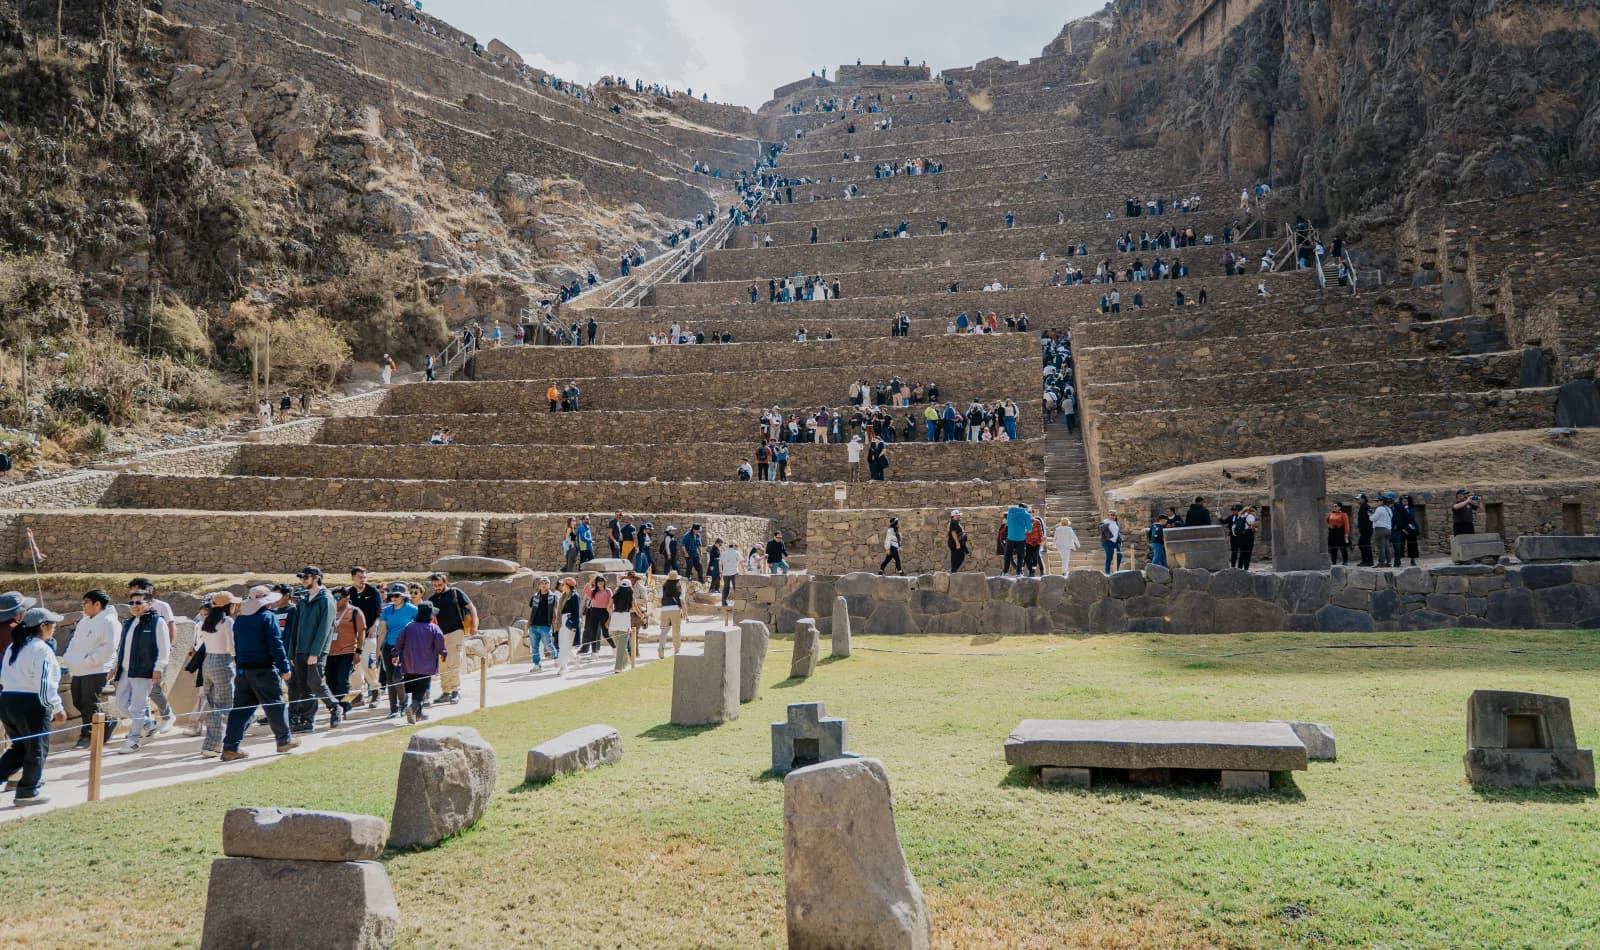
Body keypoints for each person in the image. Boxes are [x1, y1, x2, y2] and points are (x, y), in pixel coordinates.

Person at [221, 586, 297, 761]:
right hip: (263, 669)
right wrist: (284, 668)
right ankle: (283, 739)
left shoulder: (240, 620)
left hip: (243, 670)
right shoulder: (267, 617)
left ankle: (230, 746)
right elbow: (275, 645)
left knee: (241, 709)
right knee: (275, 704)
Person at [0, 605, 65, 805]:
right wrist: (56, 708)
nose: (54, 628)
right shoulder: (42, 649)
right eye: (52, 625)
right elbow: (44, 684)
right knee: (37, 748)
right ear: (43, 626)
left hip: (7, 700)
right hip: (31, 703)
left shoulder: (14, 646)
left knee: (20, 747)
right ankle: (28, 791)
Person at [110, 591, 170, 754]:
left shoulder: (157, 622)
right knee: (121, 703)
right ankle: (148, 724)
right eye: (132, 603)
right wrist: (115, 666)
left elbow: (164, 648)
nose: (134, 606)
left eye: (139, 603)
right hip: (125, 670)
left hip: (144, 671)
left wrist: (158, 668)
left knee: (138, 706)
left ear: (149, 604)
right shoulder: (129, 623)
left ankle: (133, 740)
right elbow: (122, 647)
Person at [63, 589, 119, 750]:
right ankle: (107, 722)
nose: (83, 605)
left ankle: (87, 735)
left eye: (86, 602)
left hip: (96, 669)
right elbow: (74, 642)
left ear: (97, 604)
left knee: (89, 703)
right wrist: (69, 658)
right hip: (79, 669)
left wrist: (90, 661)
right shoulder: (84, 621)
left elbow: (109, 647)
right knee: (77, 701)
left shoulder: (110, 622)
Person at [286, 567, 340, 733]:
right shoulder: (304, 600)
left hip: (316, 650)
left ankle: (334, 707)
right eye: (301, 577)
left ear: (316, 578)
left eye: (306, 577)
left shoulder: (326, 599)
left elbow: (324, 628)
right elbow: (296, 627)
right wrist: (292, 652)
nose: (303, 580)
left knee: (315, 683)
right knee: (303, 685)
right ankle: (307, 720)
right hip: (300, 650)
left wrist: (315, 652)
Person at [195, 592, 238, 758]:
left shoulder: (206, 621)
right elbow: (231, 646)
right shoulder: (227, 621)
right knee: (224, 705)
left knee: (214, 705)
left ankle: (211, 743)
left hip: (208, 662)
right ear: (228, 605)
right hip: (223, 662)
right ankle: (214, 745)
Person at [427, 572, 478, 705]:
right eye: (434, 585)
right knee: (442, 663)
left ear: (446, 583)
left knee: (453, 660)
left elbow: (471, 608)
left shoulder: (455, 593)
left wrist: (474, 625)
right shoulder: (432, 600)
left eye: (439, 585)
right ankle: (446, 691)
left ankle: (456, 690)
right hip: (440, 634)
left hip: (456, 631)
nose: (437, 587)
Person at [396, 603, 448, 724]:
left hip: (409, 663)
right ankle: (413, 707)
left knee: (416, 687)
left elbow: (399, 641)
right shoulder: (434, 628)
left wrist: (395, 654)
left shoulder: (409, 627)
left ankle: (418, 714)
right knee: (422, 688)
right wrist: (444, 654)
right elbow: (440, 644)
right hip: (426, 664)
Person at [374, 583, 418, 718]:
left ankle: (404, 704)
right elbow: (382, 631)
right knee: (389, 679)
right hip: (389, 647)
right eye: (392, 595)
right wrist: (378, 650)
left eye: (397, 595)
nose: (393, 598)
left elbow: (421, 626)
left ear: (403, 596)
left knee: (397, 677)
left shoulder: (412, 609)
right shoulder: (387, 610)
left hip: (404, 647)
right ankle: (393, 709)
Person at [347, 568, 384, 707]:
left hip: (369, 634)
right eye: (359, 577)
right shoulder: (348, 593)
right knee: (355, 667)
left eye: (364, 577)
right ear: (353, 578)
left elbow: (380, 613)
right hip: (352, 636)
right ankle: (357, 695)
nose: (362, 579)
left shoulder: (372, 592)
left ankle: (375, 691)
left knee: (369, 663)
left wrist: (375, 626)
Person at [326, 587, 366, 717]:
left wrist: (358, 651)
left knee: (343, 681)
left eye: (338, 598)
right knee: (331, 682)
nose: (336, 601)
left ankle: (345, 707)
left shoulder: (355, 612)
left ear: (347, 598)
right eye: (334, 598)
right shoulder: (329, 611)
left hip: (347, 652)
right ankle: (336, 707)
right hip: (330, 653)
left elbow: (361, 633)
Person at [526, 577, 558, 671]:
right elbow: (531, 611)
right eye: (542, 583)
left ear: (549, 585)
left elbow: (554, 611)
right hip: (534, 626)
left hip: (545, 626)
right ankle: (537, 665)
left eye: (546, 583)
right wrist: (528, 624)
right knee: (534, 647)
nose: (544, 585)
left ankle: (557, 658)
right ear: (539, 585)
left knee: (548, 645)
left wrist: (555, 624)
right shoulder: (535, 596)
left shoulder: (553, 597)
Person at [581, 576, 613, 656]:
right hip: (594, 611)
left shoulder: (608, 591)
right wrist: (591, 580)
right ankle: (594, 651)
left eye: (602, 581)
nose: (600, 582)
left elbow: (611, 602)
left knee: (605, 633)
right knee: (593, 632)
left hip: (604, 612)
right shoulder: (593, 591)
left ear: (604, 582)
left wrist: (610, 615)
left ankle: (614, 648)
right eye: (598, 581)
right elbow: (586, 589)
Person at [556, 577, 581, 675]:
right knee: (562, 644)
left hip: (568, 621)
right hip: (562, 621)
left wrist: (574, 625)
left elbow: (576, 611)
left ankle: (564, 667)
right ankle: (575, 659)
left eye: (563, 584)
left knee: (566, 645)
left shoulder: (574, 596)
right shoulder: (563, 596)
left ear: (568, 585)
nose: (562, 586)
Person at [658, 572, 685, 657]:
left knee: (663, 631)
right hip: (675, 610)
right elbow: (682, 601)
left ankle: (661, 648)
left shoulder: (663, 587)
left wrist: (664, 607)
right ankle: (676, 650)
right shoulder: (679, 587)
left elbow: (660, 599)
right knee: (676, 630)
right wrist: (684, 613)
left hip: (664, 610)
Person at [1003, 502, 1032, 575]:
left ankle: (1005, 572)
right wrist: (1024, 529)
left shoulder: (1010, 512)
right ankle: (1018, 573)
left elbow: (1008, 524)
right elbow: (1029, 529)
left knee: (1008, 555)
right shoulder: (1026, 515)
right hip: (1020, 538)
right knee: (1020, 556)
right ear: (1026, 508)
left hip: (1010, 537)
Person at [1228, 504, 1258, 570]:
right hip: (1248, 535)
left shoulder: (1241, 515)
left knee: (1242, 552)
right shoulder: (1251, 516)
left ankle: (1239, 568)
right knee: (1248, 552)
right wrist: (1255, 529)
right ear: (1254, 510)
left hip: (1240, 535)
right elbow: (1252, 526)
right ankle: (1246, 569)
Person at [1371, 495, 1395, 568]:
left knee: (1381, 547)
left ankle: (1381, 562)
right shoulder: (1389, 509)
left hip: (1380, 529)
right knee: (1386, 547)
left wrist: (1370, 515)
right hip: (1388, 529)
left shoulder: (1379, 509)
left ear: (1382, 501)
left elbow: (1373, 519)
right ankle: (1389, 562)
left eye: (1378, 501)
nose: (1377, 503)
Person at [1355, 493, 1376, 566]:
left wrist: (1367, 528)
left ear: (1363, 499)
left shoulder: (1366, 507)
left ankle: (1369, 562)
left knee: (1366, 545)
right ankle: (1364, 561)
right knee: (1362, 544)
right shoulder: (1362, 506)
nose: (1357, 500)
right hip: (1363, 530)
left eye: (1359, 499)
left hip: (1366, 530)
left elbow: (1371, 517)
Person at [719, 541, 741, 609]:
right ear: (734, 546)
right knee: (736, 588)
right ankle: (738, 603)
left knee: (726, 588)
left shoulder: (723, 553)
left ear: (729, 546)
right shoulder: (736, 552)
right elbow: (741, 560)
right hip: (734, 572)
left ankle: (724, 602)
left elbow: (720, 563)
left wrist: (721, 572)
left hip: (726, 573)